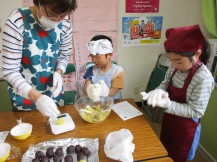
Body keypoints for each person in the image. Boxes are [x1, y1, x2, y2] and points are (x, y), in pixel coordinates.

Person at [141, 25, 214, 162]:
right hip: (170, 120)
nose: (174, 65)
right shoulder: (174, 67)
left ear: (197, 54)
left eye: (178, 61)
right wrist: (159, 90)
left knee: (179, 156)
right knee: (165, 151)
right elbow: (165, 82)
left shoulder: (203, 78)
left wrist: (168, 104)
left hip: (186, 129)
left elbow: (196, 111)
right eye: (171, 60)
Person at [1, 0, 77, 117]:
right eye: (53, 15)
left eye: (63, 15)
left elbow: (64, 54)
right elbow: (9, 70)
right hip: (24, 96)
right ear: (39, 3)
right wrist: (37, 97)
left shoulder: (65, 23)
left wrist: (59, 71)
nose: (58, 21)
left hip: (53, 92)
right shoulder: (16, 22)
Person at [83, 35, 124, 101]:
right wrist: (89, 90)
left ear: (109, 55)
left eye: (97, 57)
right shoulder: (91, 70)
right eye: (92, 56)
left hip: (113, 103)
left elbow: (114, 92)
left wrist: (104, 91)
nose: (94, 60)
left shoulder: (118, 71)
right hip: (95, 104)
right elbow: (85, 89)